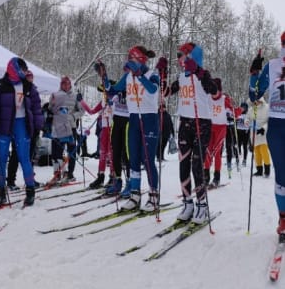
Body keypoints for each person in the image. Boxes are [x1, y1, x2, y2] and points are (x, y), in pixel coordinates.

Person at [97, 45, 160, 212]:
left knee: (147, 160)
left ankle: (154, 196)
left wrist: (140, 76)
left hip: (149, 119)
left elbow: (153, 90)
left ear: (140, 60)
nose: (129, 62)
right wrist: (104, 76)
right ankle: (135, 194)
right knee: (133, 159)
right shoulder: (127, 76)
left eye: (131, 59)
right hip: (133, 119)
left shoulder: (152, 74)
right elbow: (112, 90)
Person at [164, 42, 217, 224]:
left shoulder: (204, 74)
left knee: (197, 165)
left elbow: (214, 90)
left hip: (201, 123)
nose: (180, 58)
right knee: (183, 164)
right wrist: (161, 75)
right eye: (179, 55)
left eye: (183, 54)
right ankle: (188, 203)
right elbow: (166, 92)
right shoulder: (181, 76)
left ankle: (203, 205)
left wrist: (199, 72)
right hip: (185, 122)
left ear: (193, 56)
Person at [0, 58, 43, 208]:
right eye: (23, 69)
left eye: (26, 70)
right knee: (1, 159)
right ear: (15, 69)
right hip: (4, 126)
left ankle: (30, 191)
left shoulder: (28, 86)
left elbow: (37, 107)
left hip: (21, 124)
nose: (25, 72)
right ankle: (0, 193)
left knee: (24, 158)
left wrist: (38, 125)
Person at [248, 32, 285, 238]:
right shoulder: (272, 66)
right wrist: (255, 72)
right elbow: (254, 94)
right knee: (282, 176)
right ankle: (283, 218)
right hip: (279, 124)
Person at [6, 70, 42, 190]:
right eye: (28, 77)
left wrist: (38, 126)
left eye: (31, 77)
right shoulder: (19, 89)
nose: (30, 79)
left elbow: (37, 111)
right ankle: (10, 181)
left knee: (30, 155)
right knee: (16, 155)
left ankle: (30, 179)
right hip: (19, 126)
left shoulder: (33, 90)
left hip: (30, 128)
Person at [77, 86, 114, 189]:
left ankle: (113, 177)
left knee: (111, 154)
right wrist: (81, 101)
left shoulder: (115, 99)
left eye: (107, 92)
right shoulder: (103, 101)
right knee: (102, 153)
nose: (105, 94)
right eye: (104, 92)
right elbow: (91, 111)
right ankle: (100, 177)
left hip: (112, 128)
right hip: (104, 129)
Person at [48, 76, 83, 184]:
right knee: (56, 151)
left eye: (67, 84)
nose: (65, 86)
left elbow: (82, 111)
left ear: (70, 85)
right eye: (63, 84)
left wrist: (73, 117)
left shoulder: (75, 96)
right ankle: (57, 173)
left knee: (71, 152)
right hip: (58, 127)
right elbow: (50, 109)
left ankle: (70, 174)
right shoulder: (55, 95)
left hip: (71, 127)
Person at [203, 78, 233, 188]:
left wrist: (237, 112)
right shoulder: (207, 98)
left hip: (221, 128)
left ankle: (217, 178)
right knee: (207, 152)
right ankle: (205, 177)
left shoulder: (224, 99)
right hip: (210, 127)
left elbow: (233, 110)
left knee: (216, 153)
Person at [246, 97, 271, 177]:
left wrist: (263, 128)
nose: (256, 102)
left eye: (258, 100)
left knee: (263, 151)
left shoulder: (267, 108)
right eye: (255, 101)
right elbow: (247, 117)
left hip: (263, 133)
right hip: (254, 133)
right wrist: (246, 121)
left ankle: (267, 170)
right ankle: (259, 170)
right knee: (257, 153)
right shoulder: (251, 109)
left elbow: (269, 120)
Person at [236, 102, 250, 167]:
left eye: (244, 108)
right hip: (238, 131)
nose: (242, 109)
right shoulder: (238, 114)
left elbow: (249, 123)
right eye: (242, 107)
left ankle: (244, 159)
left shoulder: (248, 115)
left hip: (245, 132)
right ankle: (237, 158)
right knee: (237, 145)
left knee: (244, 146)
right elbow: (235, 120)